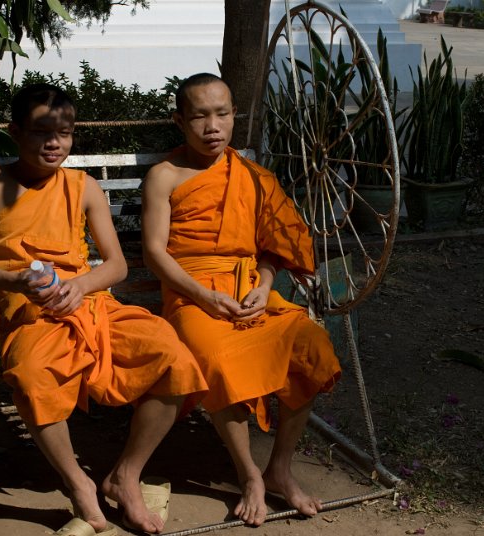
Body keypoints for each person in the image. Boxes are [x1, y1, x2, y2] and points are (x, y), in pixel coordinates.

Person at [0, 83, 208, 535]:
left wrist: (78, 286)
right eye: (41, 132)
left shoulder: (83, 185)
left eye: (66, 133)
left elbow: (115, 265)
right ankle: (79, 485)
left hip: (90, 301)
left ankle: (125, 477)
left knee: (176, 360)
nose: (55, 143)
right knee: (33, 377)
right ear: (15, 131)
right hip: (26, 308)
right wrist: (14, 280)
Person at [141, 73, 342, 527]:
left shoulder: (252, 175)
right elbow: (154, 252)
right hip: (192, 296)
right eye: (199, 116)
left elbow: (274, 245)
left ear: (235, 117)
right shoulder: (165, 176)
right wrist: (202, 295)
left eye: (222, 114)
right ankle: (249, 473)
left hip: (250, 290)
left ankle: (280, 469)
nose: (213, 126)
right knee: (214, 357)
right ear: (179, 120)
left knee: (313, 346)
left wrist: (266, 284)